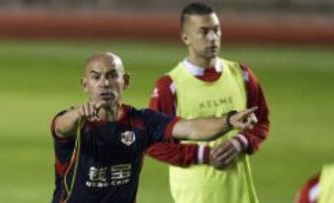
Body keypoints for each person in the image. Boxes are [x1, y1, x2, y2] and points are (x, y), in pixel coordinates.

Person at [50, 52, 258, 203]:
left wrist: (228, 120)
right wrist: (78, 114)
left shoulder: (142, 121)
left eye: (112, 75)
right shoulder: (76, 123)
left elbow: (191, 128)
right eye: (96, 77)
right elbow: (61, 128)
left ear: (125, 81)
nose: (105, 83)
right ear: (85, 85)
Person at [147, 2, 270, 203]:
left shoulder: (242, 75)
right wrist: (203, 154)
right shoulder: (170, 85)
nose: (213, 37)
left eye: (216, 30)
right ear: (185, 37)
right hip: (195, 197)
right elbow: (152, 142)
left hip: (241, 196)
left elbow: (262, 121)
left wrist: (241, 142)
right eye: (204, 32)